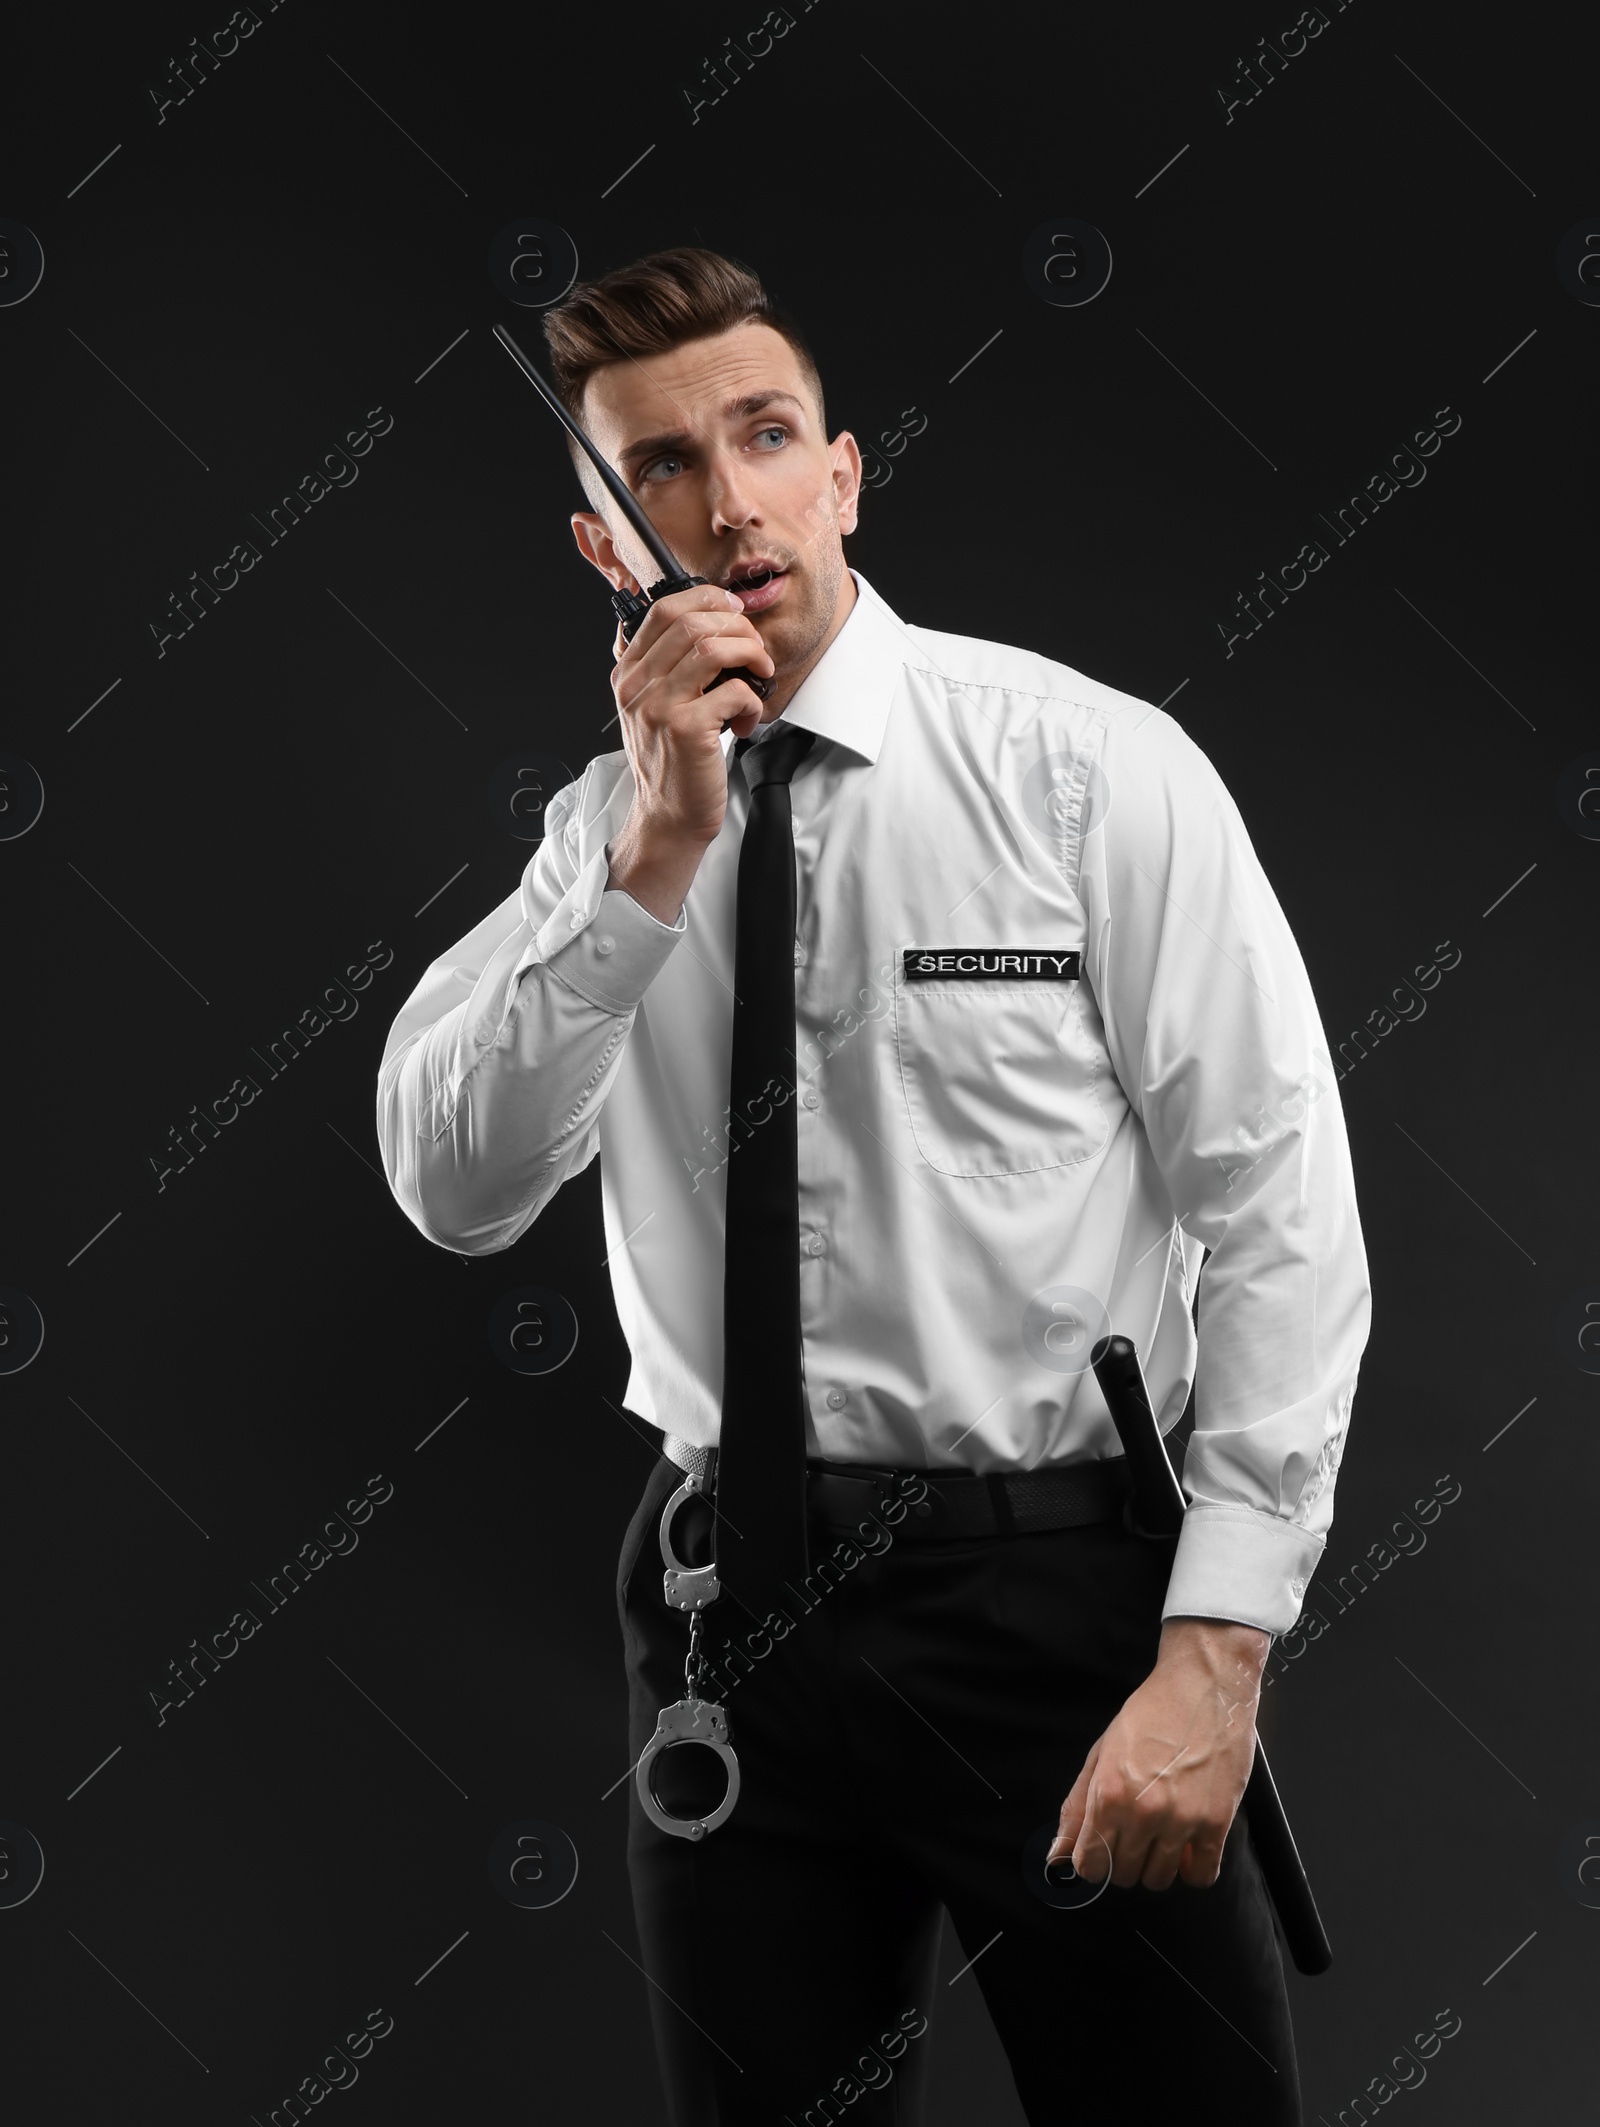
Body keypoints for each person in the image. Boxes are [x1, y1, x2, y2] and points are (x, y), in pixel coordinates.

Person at [375, 247, 1371, 2126]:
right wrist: (653, 859)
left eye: (764, 439)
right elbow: (454, 1185)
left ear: (844, 475)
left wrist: (1216, 1654)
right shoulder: (599, 841)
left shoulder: (1087, 773)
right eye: (662, 467)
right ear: (605, 546)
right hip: (721, 1615)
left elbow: (1283, 1217)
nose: (728, 501)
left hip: (1059, 1605)